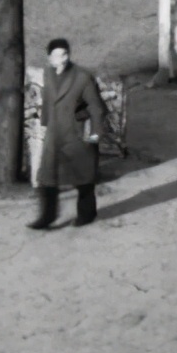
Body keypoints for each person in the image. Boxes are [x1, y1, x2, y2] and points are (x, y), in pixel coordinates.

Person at [29, 39, 108, 230]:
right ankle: (47, 217)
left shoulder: (82, 77)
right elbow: (48, 99)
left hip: (76, 134)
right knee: (47, 177)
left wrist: (95, 133)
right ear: (49, 57)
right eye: (57, 55)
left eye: (64, 54)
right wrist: (45, 123)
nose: (62, 59)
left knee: (83, 178)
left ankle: (87, 214)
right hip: (54, 134)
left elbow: (96, 107)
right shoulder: (48, 73)